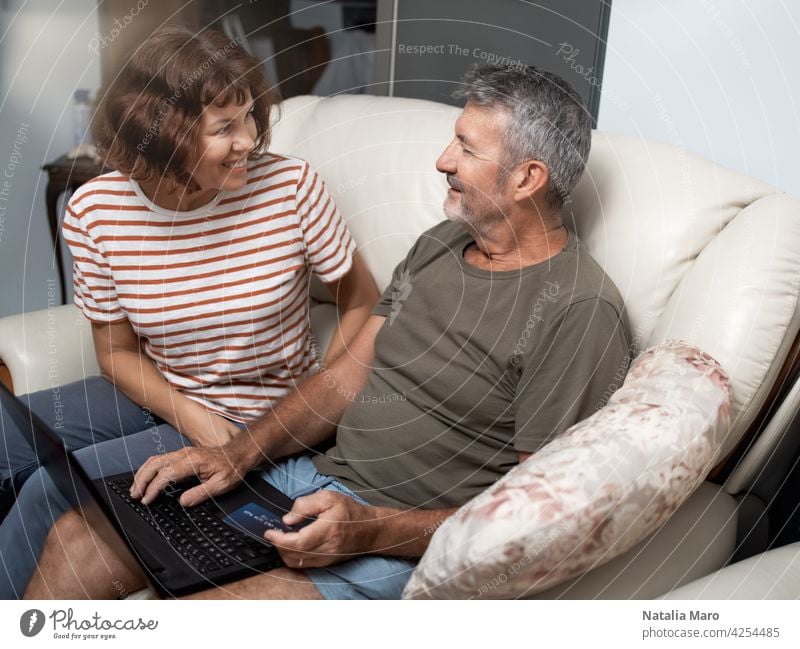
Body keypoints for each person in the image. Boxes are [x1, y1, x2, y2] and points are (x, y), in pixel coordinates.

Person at [25, 63, 632, 600]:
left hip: (402, 535)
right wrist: (235, 455)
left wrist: (373, 529)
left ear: (527, 180)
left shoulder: (578, 311)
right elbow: (345, 377)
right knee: (80, 535)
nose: (443, 160)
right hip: (317, 478)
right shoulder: (442, 245)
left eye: (467, 150)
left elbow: (532, 519)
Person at [0, 25, 378, 598]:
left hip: (251, 417)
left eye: (250, 116)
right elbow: (115, 350)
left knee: (50, 492)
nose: (249, 138)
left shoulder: (292, 188)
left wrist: (321, 399)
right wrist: (188, 414)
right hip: (159, 388)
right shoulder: (96, 210)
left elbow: (362, 300)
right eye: (224, 128)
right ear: (165, 140)